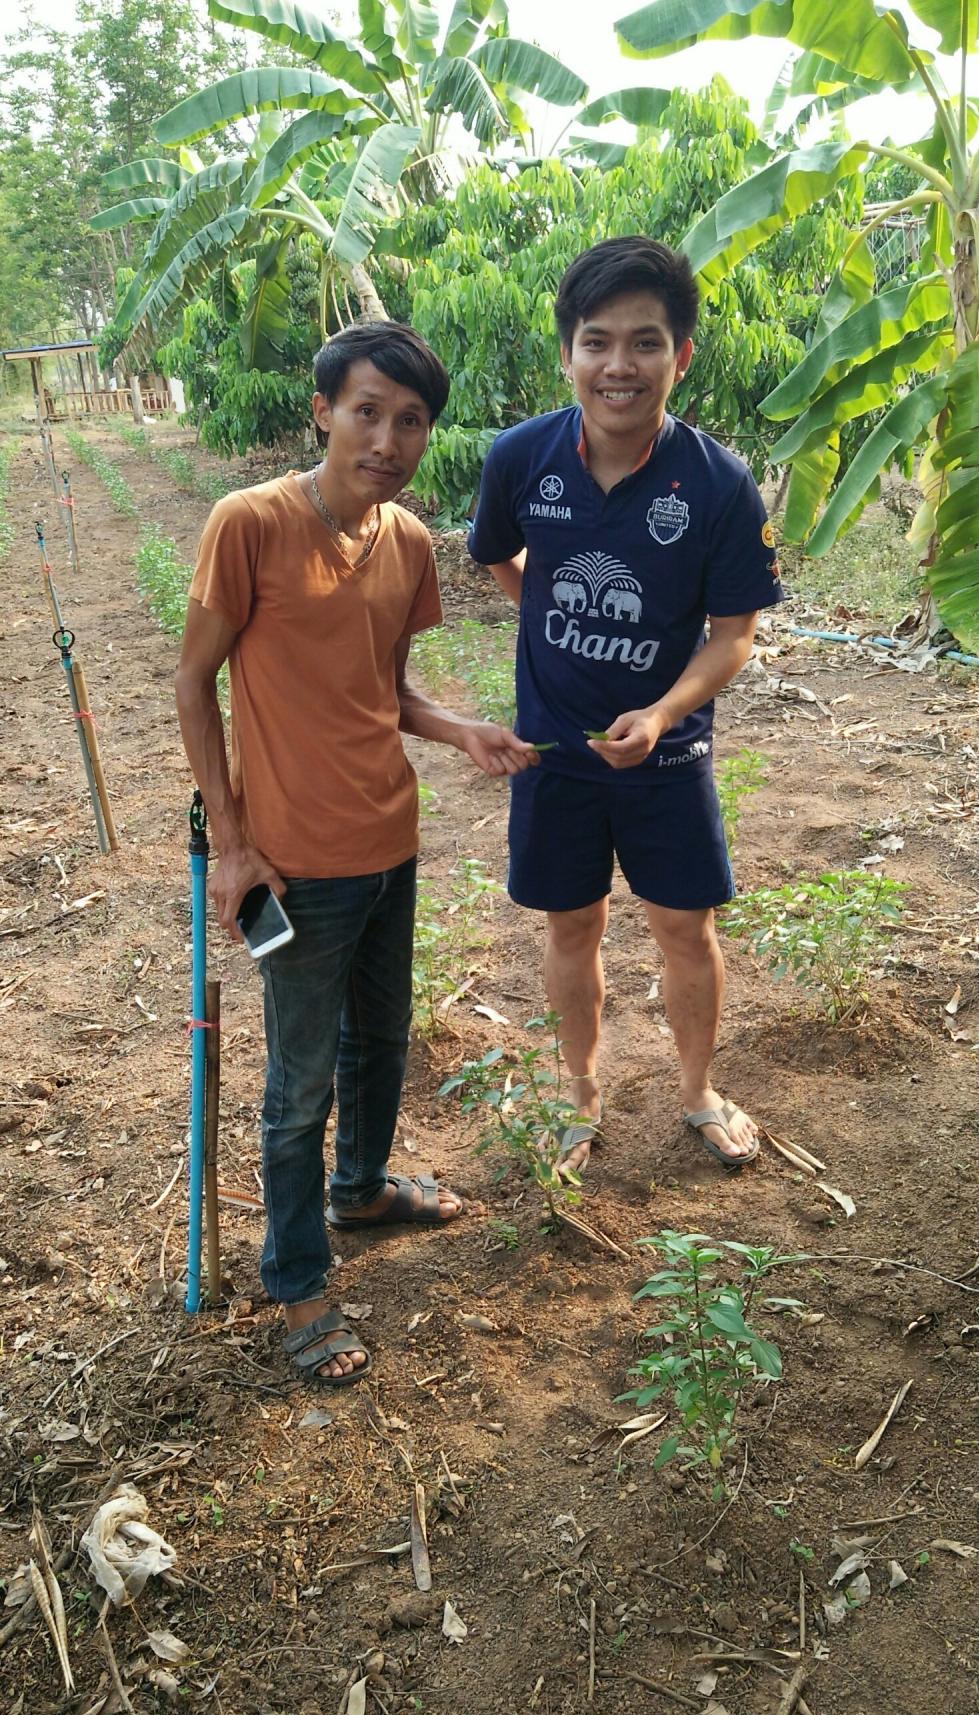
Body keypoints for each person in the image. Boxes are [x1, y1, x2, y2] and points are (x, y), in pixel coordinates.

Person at [176, 322, 536, 1386]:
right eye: (367, 412)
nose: (387, 439)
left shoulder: (410, 541)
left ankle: (363, 1189)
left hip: (389, 841)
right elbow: (194, 682)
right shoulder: (250, 523)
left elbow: (389, 688)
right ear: (323, 412)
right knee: (298, 1087)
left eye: (410, 420)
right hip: (293, 864)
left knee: (379, 1040)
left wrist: (462, 730)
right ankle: (297, 1279)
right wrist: (233, 846)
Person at [467, 236, 784, 1177]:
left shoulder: (719, 484)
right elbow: (498, 554)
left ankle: (696, 1092)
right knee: (572, 926)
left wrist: (662, 712)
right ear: (568, 352)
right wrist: (546, 611)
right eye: (597, 342)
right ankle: (580, 1095)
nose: (619, 366)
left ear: (680, 356)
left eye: (645, 343)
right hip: (552, 752)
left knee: (686, 928)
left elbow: (733, 635)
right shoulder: (520, 458)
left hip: (668, 761)